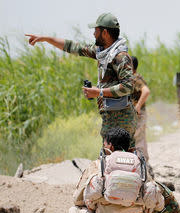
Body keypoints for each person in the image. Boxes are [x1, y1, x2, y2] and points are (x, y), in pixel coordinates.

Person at [25, 13, 137, 146]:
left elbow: (127, 86)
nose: (94, 34)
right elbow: (74, 47)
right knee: (112, 158)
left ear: (105, 32)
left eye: (96, 31)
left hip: (122, 117)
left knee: (123, 158)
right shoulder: (103, 52)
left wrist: (99, 92)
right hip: (110, 116)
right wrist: (46, 39)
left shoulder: (120, 56)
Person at [70, 127, 165, 213]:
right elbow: (157, 202)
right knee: (143, 207)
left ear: (110, 146)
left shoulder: (98, 166)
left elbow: (77, 200)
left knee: (73, 212)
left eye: (104, 143)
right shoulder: (140, 168)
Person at [131, 56, 151, 161]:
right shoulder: (134, 77)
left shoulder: (135, 78)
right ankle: (144, 162)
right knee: (140, 138)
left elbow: (146, 91)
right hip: (138, 113)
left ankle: (141, 163)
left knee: (138, 139)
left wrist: (138, 106)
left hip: (138, 113)